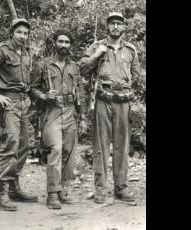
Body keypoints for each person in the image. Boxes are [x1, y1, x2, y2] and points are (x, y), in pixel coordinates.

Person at [79, 12, 141, 204]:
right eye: (112, 23)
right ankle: (100, 189)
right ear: (107, 26)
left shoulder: (130, 50)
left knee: (122, 147)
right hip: (103, 101)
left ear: (123, 27)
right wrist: (97, 56)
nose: (115, 27)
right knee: (100, 147)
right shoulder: (97, 46)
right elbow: (82, 68)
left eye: (119, 24)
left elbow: (136, 74)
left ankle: (121, 188)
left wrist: (123, 87)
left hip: (123, 102)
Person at [0, 18, 38, 212]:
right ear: (12, 32)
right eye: (19, 32)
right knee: (10, 145)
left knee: (24, 145)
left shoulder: (28, 52)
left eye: (25, 33)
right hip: (8, 102)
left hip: (24, 103)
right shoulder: (1, 50)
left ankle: (14, 187)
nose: (23, 36)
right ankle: (2, 193)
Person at [30, 29, 87, 209]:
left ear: (70, 45)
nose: (64, 45)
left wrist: (83, 116)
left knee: (69, 152)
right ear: (54, 43)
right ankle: (52, 194)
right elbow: (31, 89)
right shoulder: (42, 65)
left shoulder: (74, 66)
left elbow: (81, 93)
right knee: (55, 149)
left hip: (71, 112)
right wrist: (45, 96)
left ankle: (62, 189)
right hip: (51, 111)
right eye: (60, 41)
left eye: (67, 42)